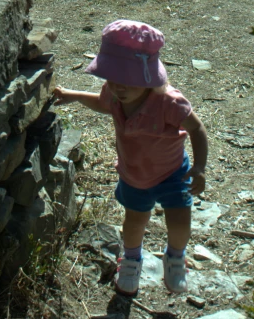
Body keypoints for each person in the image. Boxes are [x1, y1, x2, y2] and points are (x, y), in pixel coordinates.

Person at [53, 19, 208, 296]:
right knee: (134, 222)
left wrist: (199, 167)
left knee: (180, 220)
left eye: (126, 81)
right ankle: (132, 260)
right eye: (111, 79)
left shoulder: (169, 103)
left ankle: (174, 258)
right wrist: (73, 95)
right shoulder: (114, 95)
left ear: (148, 78)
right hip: (134, 174)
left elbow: (197, 129)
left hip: (173, 172)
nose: (117, 87)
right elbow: (102, 104)